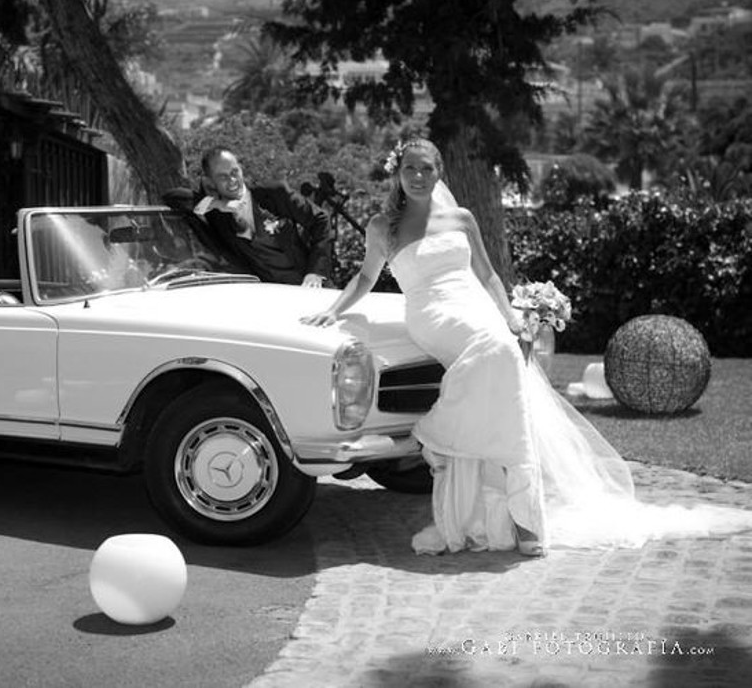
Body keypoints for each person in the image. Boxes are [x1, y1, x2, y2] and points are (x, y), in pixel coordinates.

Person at [302, 137, 752, 557]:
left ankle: (492, 491)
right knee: (498, 356)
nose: (418, 177)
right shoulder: (384, 226)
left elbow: (490, 276)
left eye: (426, 169)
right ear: (397, 173)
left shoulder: (461, 219)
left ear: (439, 174)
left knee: (502, 365)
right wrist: (336, 310)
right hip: (433, 316)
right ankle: (498, 499)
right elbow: (365, 278)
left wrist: (514, 319)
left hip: (474, 306)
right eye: (409, 169)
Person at [175, 147, 334, 287]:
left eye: (234, 172)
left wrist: (315, 272)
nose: (232, 180)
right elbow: (174, 197)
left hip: (313, 286)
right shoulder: (217, 214)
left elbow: (320, 219)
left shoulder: (273, 193)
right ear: (210, 181)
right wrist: (217, 204)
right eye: (223, 177)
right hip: (270, 295)